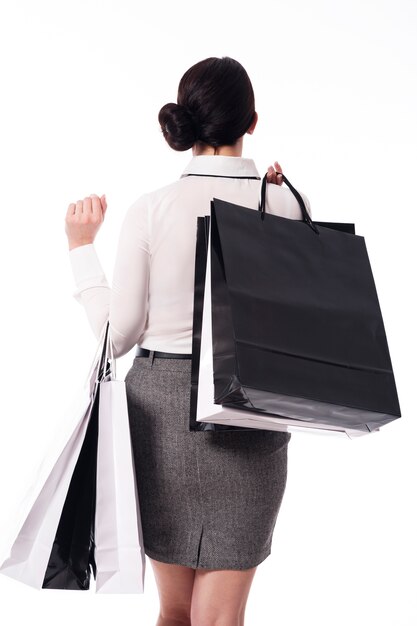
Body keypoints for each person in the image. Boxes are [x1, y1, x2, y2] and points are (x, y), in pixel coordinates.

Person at [65, 56, 312, 626]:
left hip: (160, 410)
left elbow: (118, 336)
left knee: (174, 609)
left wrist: (82, 249)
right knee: (221, 617)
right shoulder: (284, 204)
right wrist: (281, 201)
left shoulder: (152, 209)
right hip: (251, 404)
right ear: (252, 122)